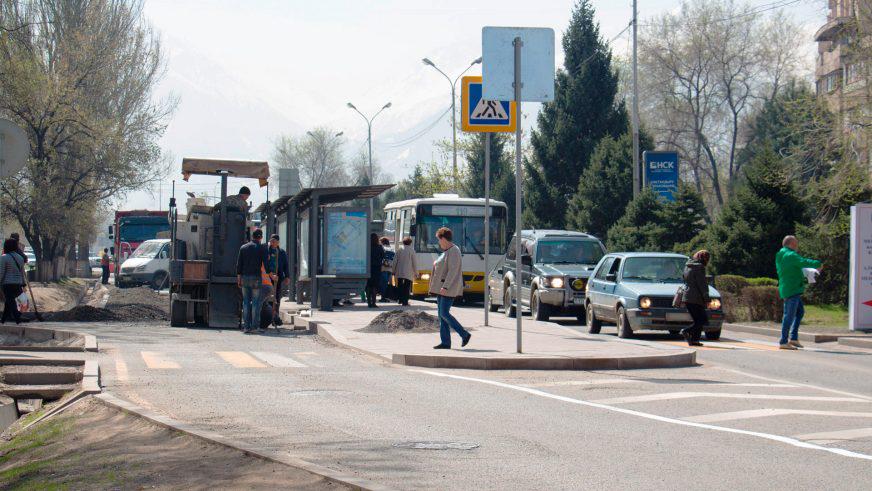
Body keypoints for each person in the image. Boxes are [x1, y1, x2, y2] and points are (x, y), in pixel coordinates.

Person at [776, 235, 822, 350]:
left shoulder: (781, 254)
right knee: (789, 315)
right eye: (796, 244)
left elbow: (793, 268)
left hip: (789, 287)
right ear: (791, 244)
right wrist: (818, 264)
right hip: (792, 289)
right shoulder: (790, 255)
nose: (797, 246)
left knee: (799, 312)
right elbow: (803, 261)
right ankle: (783, 341)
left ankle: (794, 338)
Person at [429, 227, 471, 349]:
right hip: (441, 289)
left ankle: (464, 334)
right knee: (441, 315)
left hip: (448, 289)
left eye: (439, 239)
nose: (438, 242)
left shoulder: (454, 251)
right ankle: (446, 342)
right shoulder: (447, 251)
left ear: (444, 239)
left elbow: (453, 271)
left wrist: (446, 287)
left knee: (444, 313)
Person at [236, 229, 269, 333]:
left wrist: (239, 278)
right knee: (255, 302)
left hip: (245, 278)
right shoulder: (262, 248)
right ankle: (254, 327)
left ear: (252, 236)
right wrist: (270, 273)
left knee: (246, 302)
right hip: (256, 278)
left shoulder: (243, 247)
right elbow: (266, 263)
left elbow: (239, 264)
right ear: (260, 237)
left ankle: (246, 327)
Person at [680, 250, 711, 347]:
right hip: (696, 298)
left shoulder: (688, 266)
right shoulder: (699, 267)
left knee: (698, 321)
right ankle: (686, 331)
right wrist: (707, 299)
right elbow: (702, 284)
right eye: (707, 258)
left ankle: (694, 340)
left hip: (687, 297)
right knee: (702, 320)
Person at [0, 238, 26, 324]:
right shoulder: (20, 258)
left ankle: (17, 318)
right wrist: (23, 284)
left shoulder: (4, 257)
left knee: (11, 302)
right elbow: (22, 272)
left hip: (7, 283)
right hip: (18, 283)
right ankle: (3, 320)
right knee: (9, 302)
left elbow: (1, 272)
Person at [268, 234, 290, 324]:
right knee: (268, 297)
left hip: (278, 278)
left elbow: (285, 265)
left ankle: (275, 316)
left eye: (274, 241)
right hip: (268, 278)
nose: (272, 243)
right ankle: (268, 316)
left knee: (276, 297)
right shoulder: (267, 251)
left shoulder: (281, 252)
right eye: (271, 241)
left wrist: (287, 276)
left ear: (277, 242)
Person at [393, 236, 417, 306]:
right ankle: (405, 301)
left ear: (403, 242)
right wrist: (416, 272)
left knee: (400, 285)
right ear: (410, 243)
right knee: (407, 287)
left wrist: (393, 270)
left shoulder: (399, 250)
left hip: (399, 271)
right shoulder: (412, 250)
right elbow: (414, 262)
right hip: (408, 272)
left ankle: (400, 299)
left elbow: (395, 261)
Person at [366, 233, 384, 308]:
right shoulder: (379, 247)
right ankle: (373, 303)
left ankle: (369, 303)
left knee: (368, 286)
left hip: (368, 268)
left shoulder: (367, 247)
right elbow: (383, 256)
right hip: (376, 268)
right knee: (374, 286)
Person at [379, 237, 395, 302]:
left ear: (382, 242)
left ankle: (383, 297)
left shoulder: (382, 248)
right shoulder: (392, 249)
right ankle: (386, 296)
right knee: (386, 283)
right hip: (390, 268)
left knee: (383, 283)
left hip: (383, 268)